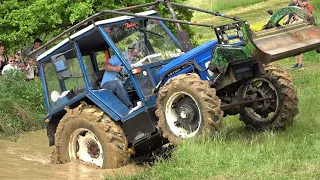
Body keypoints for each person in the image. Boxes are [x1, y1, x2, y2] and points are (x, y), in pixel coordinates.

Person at [100, 46, 143, 114]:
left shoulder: (129, 61)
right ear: (131, 50)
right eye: (137, 51)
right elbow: (105, 66)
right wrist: (115, 68)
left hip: (122, 83)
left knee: (135, 80)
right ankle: (130, 108)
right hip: (107, 84)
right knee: (117, 83)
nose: (138, 54)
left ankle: (142, 101)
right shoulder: (119, 57)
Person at [291, 0, 313, 68]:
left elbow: (308, 20)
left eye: (304, 1)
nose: (302, 3)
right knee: (296, 46)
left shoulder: (309, 8)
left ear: (307, 1)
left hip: (303, 29)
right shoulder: (301, 8)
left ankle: (300, 63)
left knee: (299, 46)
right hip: (298, 28)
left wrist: (298, 19)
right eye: (302, 2)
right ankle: (297, 63)